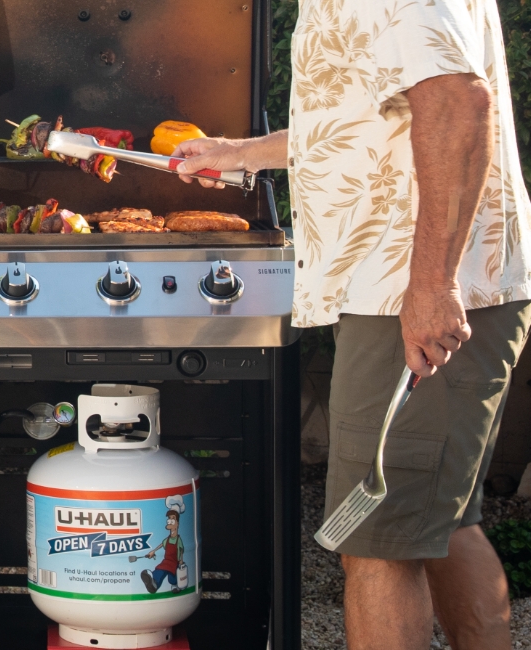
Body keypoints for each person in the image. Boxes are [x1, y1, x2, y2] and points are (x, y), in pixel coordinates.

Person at [171, 2, 531, 649]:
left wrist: (430, 283)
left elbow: (457, 103)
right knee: (442, 527)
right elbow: (360, 119)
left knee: (375, 545)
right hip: (406, 287)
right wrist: (240, 152)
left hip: (407, 290)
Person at [141, 509, 185, 594]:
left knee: (173, 576)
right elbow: (161, 545)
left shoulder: (178, 539)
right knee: (160, 570)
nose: (169, 521)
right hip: (166, 561)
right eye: (169, 518)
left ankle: (175, 586)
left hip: (175, 562)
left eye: (173, 519)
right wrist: (153, 551)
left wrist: (181, 560)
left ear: (177, 523)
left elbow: (181, 549)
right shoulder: (167, 539)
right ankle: (153, 584)